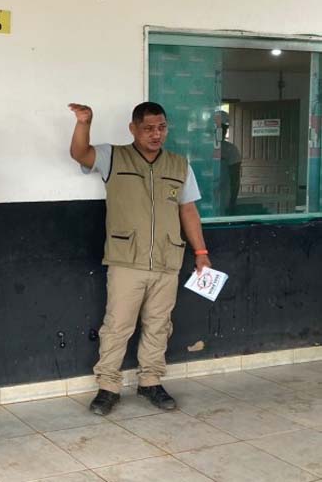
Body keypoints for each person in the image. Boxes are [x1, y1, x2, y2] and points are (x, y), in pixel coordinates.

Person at [68, 101, 212, 416]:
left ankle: (150, 381)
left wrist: (201, 253)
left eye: (161, 127)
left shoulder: (178, 165)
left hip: (167, 259)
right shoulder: (113, 157)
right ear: (133, 129)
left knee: (159, 324)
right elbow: (80, 153)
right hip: (126, 260)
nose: (155, 134)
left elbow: (188, 210)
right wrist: (84, 122)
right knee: (117, 325)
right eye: (148, 128)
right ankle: (108, 386)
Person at [216, 111, 242, 214]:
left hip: (223, 199)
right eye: (221, 128)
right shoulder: (202, 148)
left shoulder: (230, 150)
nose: (223, 131)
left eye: (225, 128)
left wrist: (232, 202)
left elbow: (235, 179)